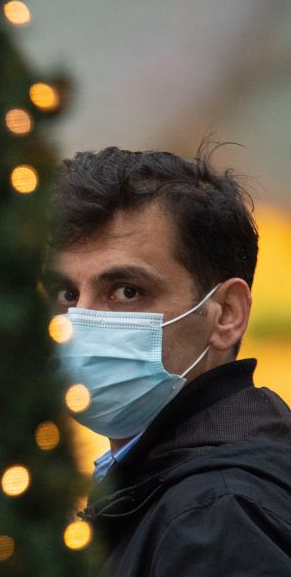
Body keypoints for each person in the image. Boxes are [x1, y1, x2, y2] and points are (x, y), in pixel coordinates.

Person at [45, 146, 291, 575]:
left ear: (227, 314)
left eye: (126, 291)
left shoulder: (216, 514)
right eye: (67, 294)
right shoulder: (175, 487)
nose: (80, 322)